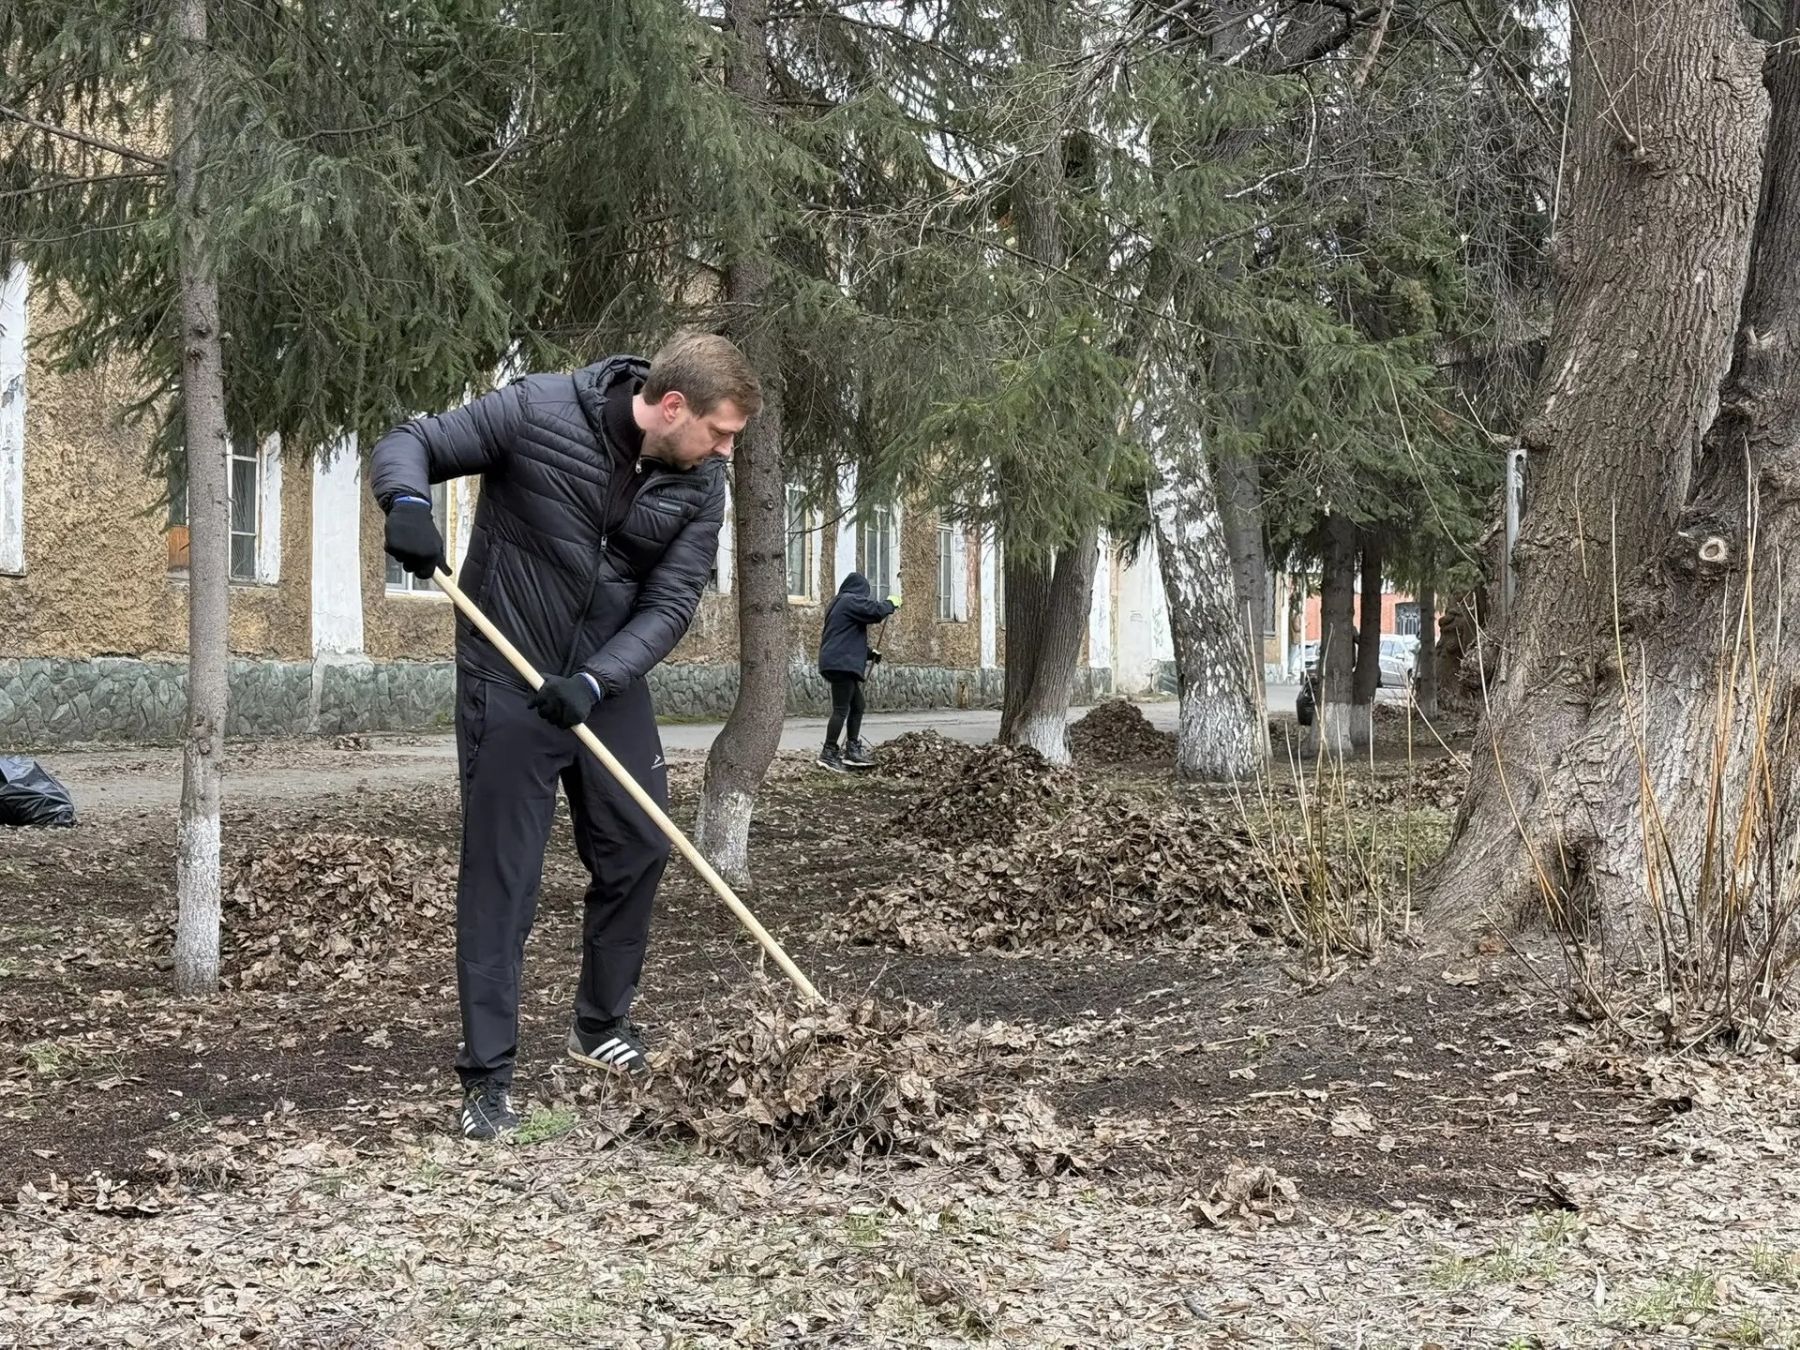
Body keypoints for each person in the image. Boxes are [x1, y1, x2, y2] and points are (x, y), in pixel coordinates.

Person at [370, 332, 759, 1141]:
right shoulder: (541, 411)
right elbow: (412, 442)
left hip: (602, 685)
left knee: (640, 843)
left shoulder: (702, 480)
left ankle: (600, 1025)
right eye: (720, 432)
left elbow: (671, 602)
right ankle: (487, 1077)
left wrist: (596, 680)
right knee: (502, 874)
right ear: (673, 406)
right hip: (507, 672)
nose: (726, 450)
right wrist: (407, 502)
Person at [816, 572, 898, 772]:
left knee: (857, 705)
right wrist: (890, 604)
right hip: (841, 664)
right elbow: (875, 612)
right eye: (864, 594)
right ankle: (828, 753)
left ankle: (852, 749)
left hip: (838, 661)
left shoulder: (839, 604)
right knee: (841, 709)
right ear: (859, 590)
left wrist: (870, 653)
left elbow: (845, 639)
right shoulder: (849, 601)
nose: (864, 598)